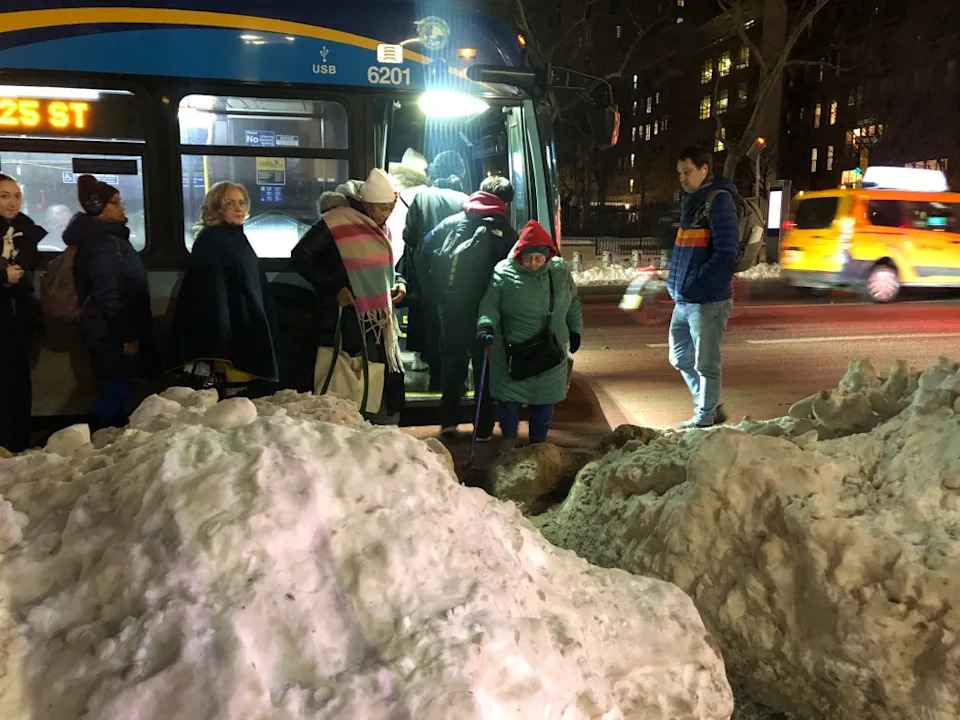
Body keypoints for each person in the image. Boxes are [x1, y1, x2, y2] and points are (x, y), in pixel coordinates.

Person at [292, 169, 407, 424]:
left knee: (376, 373)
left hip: (377, 318)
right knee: (349, 372)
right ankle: (347, 425)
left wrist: (399, 282)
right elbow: (300, 256)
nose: (385, 215)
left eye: (389, 208)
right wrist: (335, 288)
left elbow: (385, 268)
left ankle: (377, 424)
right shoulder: (337, 222)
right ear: (365, 204)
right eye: (380, 209)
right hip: (343, 317)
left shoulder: (380, 228)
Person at [424, 176, 519, 440]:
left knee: (452, 362)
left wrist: (435, 294)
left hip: (452, 307)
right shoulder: (507, 233)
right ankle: (484, 427)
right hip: (486, 312)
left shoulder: (451, 223)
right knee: (484, 366)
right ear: (505, 203)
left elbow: (423, 248)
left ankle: (449, 422)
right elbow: (512, 275)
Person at [477, 220, 582, 449]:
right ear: (518, 255)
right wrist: (486, 325)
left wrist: (575, 330)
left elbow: (573, 302)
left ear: (547, 256)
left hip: (550, 351)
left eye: (538, 258)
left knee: (545, 404)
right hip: (512, 352)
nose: (533, 264)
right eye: (528, 258)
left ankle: (538, 446)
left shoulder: (559, 272)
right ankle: (508, 444)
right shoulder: (503, 273)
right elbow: (490, 305)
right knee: (507, 402)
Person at [168, 181, 279, 394]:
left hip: (239, 323)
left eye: (241, 202)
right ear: (217, 207)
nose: (239, 209)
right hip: (228, 332)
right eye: (230, 203)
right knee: (233, 388)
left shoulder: (234, 237)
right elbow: (213, 293)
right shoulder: (213, 241)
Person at [67, 175, 155, 427]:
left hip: (106, 330)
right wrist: (126, 336)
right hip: (109, 332)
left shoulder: (108, 239)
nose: (122, 207)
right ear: (98, 207)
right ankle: (99, 432)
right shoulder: (103, 243)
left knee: (117, 384)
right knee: (116, 386)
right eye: (115, 203)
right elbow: (109, 295)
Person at [668, 146, 739, 428]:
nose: (682, 179)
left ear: (704, 169)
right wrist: (677, 283)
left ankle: (705, 418)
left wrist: (697, 283)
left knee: (706, 363)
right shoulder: (691, 202)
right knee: (679, 356)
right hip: (684, 297)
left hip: (707, 299)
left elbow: (726, 253)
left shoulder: (718, 201)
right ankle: (708, 404)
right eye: (680, 173)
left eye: (687, 172)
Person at [398, 151, 468, 389]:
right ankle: (452, 377)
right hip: (457, 273)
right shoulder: (465, 199)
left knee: (429, 320)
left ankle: (434, 372)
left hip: (425, 271)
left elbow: (409, 235)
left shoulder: (421, 197)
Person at [0, 174, 45, 452]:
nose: (13, 202)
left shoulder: (26, 230)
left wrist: (17, 277)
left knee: (17, 381)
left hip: (18, 319)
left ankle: (16, 440)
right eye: (4, 196)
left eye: (17, 195)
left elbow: (29, 275)